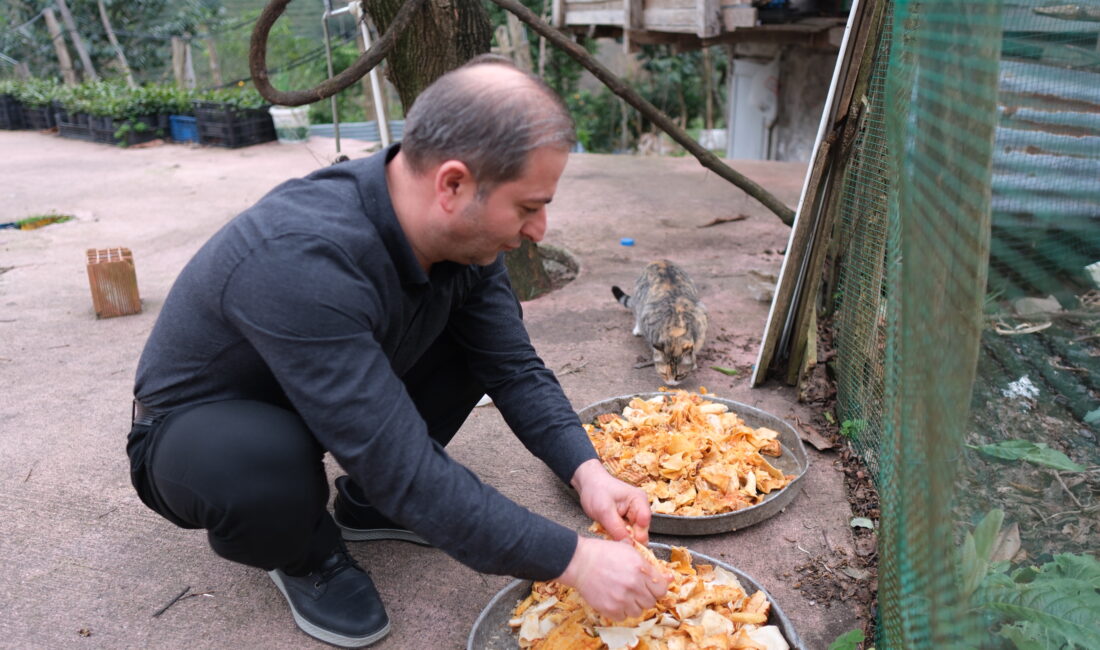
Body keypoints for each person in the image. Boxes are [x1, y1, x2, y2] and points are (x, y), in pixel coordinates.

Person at [126, 55, 669, 648]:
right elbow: (401, 465)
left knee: (476, 347)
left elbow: (513, 367)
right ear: (454, 184)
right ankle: (306, 553)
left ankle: (368, 507)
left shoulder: (468, 242)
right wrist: (575, 561)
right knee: (259, 463)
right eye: (528, 206)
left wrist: (586, 471)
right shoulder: (301, 256)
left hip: (336, 395)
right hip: (203, 429)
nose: (538, 229)